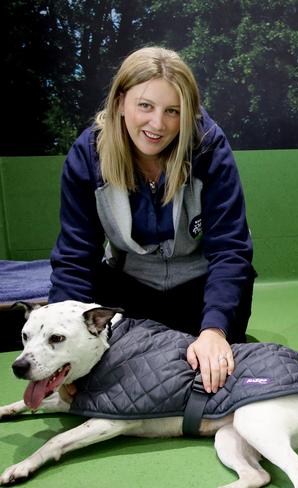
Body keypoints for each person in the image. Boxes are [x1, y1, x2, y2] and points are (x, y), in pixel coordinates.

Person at [48, 47, 255, 393]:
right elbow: (75, 256)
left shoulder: (209, 146)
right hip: (130, 293)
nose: (158, 124)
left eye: (172, 111)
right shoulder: (87, 154)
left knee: (207, 374)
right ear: (119, 103)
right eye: (145, 106)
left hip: (199, 293)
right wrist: (64, 349)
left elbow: (230, 249)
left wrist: (215, 330)